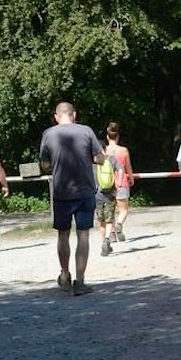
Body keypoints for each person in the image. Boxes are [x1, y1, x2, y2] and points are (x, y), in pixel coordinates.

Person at [39, 102, 105, 294]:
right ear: (74, 114)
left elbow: (45, 164)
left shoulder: (48, 134)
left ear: (56, 116)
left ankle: (65, 274)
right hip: (84, 191)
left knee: (63, 234)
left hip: (61, 192)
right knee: (83, 235)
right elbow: (100, 159)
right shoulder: (86, 131)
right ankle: (80, 282)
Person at [99, 123, 134, 254]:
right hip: (122, 182)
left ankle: (111, 234)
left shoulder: (104, 151)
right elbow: (128, 166)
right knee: (123, 210)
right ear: (118, 136)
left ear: (107, 137)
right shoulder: (123, 150)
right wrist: (131, 177)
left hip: (108, 183)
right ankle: (119, 224)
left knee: (110, 211)